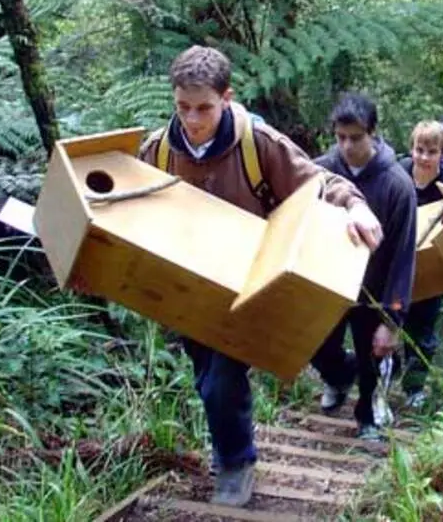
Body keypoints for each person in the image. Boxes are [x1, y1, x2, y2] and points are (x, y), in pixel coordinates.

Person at [135, 46, 383, 507]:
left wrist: (357, 204)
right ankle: (331, 378)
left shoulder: (258, 144)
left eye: (204, 108)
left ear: (226, 98)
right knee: (205, 375)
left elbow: (318, 181)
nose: (192, 119)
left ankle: (235, 462)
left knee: (220, 378)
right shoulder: (157, 151)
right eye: (183, 107)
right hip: (188, 286)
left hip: (251, 282)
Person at [310, 92, 417, 441]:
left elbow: (404, 257)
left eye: (356, 138)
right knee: (319, 349)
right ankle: (339, 379)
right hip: (327, 285)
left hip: (373, 289)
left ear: (373, 132)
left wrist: (392, 319)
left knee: (371, 353)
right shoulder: (321, 171)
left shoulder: (397, 184)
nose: (347, 146)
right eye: (340, 137)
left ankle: (367, 416)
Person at [397, 121, 443, 408]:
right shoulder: (398, 175)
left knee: (422, 331)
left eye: (431, 151)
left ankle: (414, 387)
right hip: (396, 267)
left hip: (430, 271)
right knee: (387, 323)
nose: (424, 157)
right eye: (419, 150)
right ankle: (384, 379)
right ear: (411, 149)